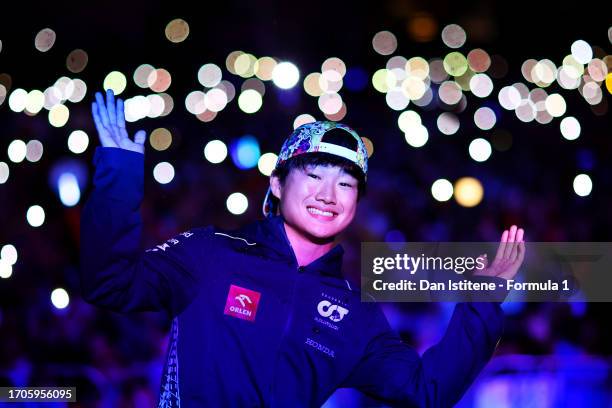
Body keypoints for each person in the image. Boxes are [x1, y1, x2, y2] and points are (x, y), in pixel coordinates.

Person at [80, 89, 525, 407]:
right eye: (313, 175)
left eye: (346, 183)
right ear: (277, 183)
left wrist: (483, 305)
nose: (328, 193)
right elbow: (109, 283)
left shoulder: (355, 314)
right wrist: (117, 179)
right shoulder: (209, 255)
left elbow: (425, 392)